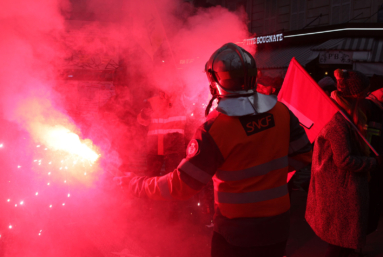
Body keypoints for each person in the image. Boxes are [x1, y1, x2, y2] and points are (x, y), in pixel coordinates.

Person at [116, 43, 312, 257]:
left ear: (214, 82)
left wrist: (135, 184)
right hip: (278, 227)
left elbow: (182, 186)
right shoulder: (280, 111)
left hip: (236, 232)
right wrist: (268, 176)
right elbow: (304, 155)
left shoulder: (215, 128)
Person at [305, 69, 382, 257]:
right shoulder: (337, 119)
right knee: (339, 243)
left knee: (343, 241)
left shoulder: (345, 113)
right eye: (363, 94)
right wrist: (373, 162)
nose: (366, 98)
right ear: (355, 96)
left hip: (340, 189)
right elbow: (344, 159)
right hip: (339, 190)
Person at [137, 89, 186, 176]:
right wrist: (144, 114)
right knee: (151, 178)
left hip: (174, 147)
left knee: (172, 178)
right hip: (154, 147)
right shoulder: (151, 101)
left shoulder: (182, 100)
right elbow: (141, 121)